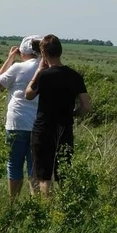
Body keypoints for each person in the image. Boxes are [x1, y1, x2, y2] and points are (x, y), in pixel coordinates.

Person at [25, 34, 92, 196]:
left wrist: (39, 70)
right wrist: (73, 113)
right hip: (65, 129)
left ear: (43, 52)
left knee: (43, 175)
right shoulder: (75, 76)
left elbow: (28, 94)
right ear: (60, 51)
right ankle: (65, 207)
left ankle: (47, 211)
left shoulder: (44, 75)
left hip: (43, 130)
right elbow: (86, 106)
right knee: (63, 171)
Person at [0, 35, 43, 200]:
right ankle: (35, 202)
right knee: (34, 166)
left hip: (16, 122)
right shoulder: (45, 68)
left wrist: (9, 58)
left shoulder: (18, 67)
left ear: (24, 51)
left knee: (14, 164)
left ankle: (12, 202)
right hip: (38, 124)